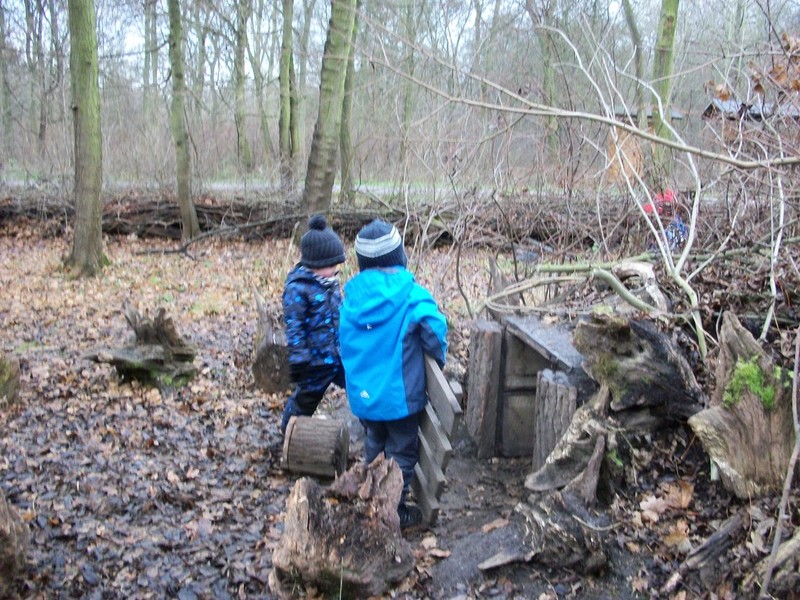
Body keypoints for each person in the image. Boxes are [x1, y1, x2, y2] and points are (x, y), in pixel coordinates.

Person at [338, 219, 448, 530]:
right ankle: (392, 510)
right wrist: (438, 357)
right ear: (399, 256)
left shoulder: (351, 300)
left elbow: (343, 342)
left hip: (365, 398)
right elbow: (435, 330)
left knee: (375, 442)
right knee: (402, 451)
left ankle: (372, 496)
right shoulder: (411, 295)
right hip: (400, 399)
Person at [280, 214, 347, 434]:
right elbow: (295, 328)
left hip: (337, 357)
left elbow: (339, 313)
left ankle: (371, 425)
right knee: (304, 402)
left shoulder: (330, 282)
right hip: (315, 364)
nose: (336, 269)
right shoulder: (298, 289)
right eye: (332, 265)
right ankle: (289, 431)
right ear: (316, 264)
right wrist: (299, 358)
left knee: (358, 387)